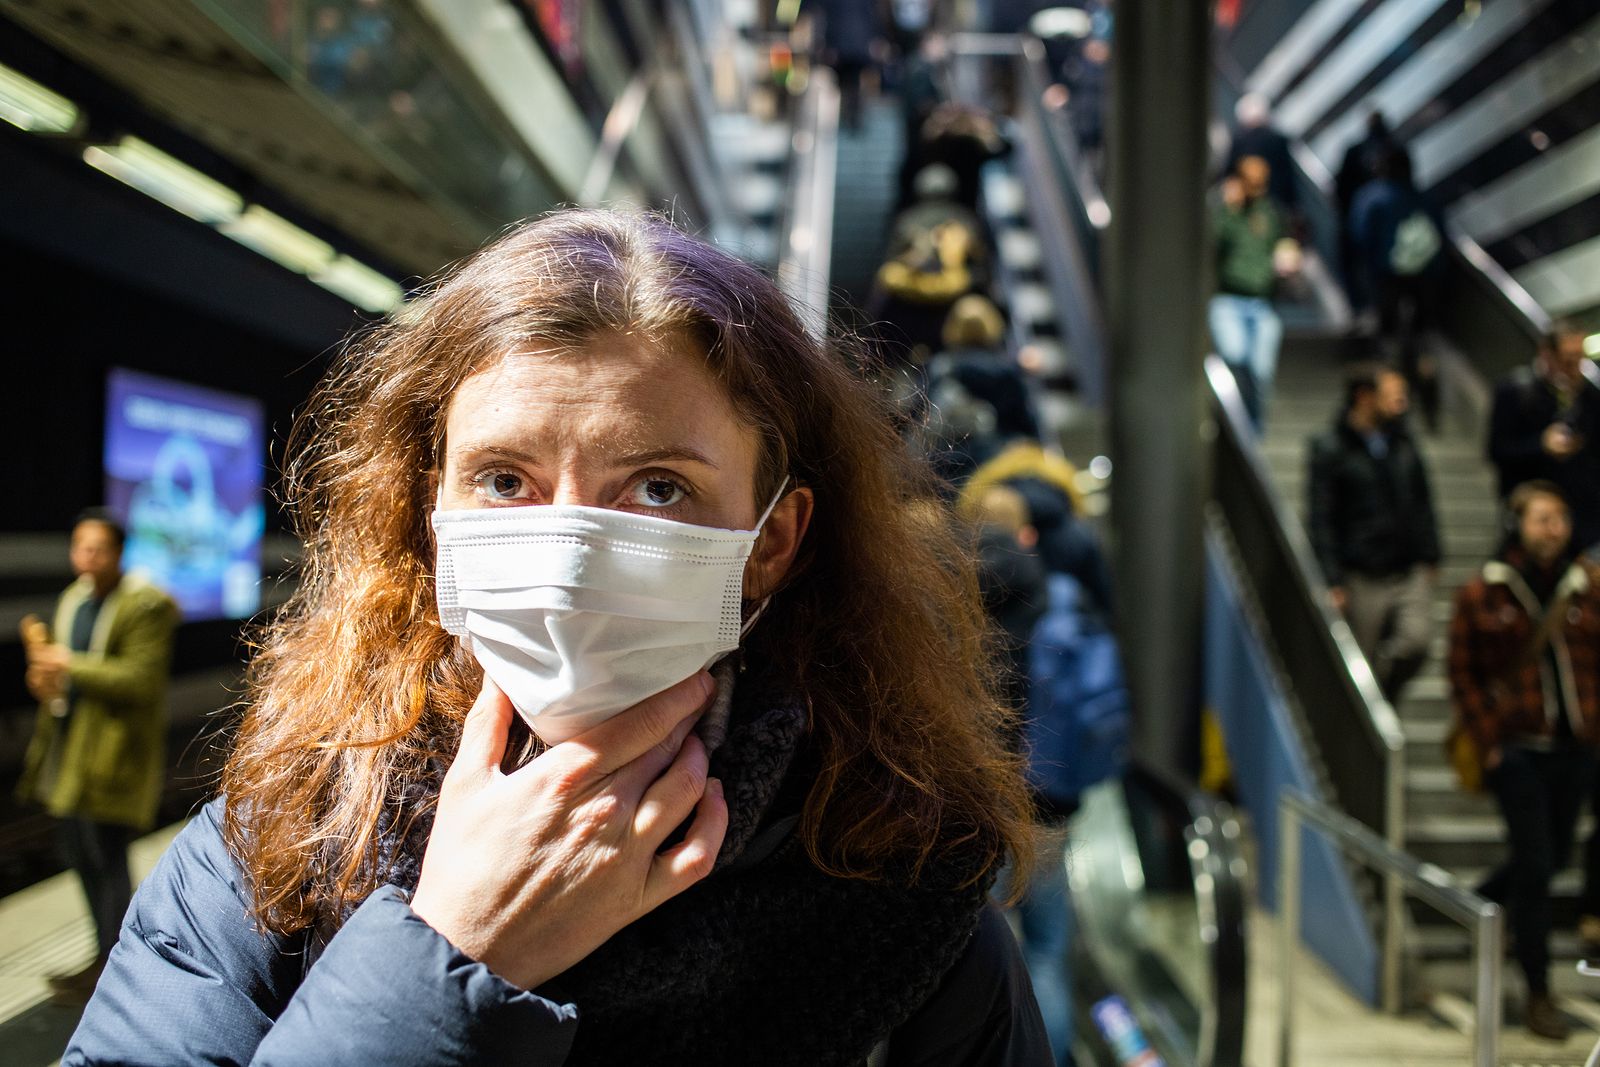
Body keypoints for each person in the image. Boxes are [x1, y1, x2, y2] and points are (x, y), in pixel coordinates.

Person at [66, 210, 1051, 1064]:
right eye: (504, 479)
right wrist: (448, 955)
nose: (571, 560)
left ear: (772, 540)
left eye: (658, 487)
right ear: (428, 509)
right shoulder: (269, 847)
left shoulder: (906, 902)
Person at [1449, 482, 1600, 1041]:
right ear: (1517, 525)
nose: (1553, 527)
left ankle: (1479, 903)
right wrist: (1488, 740)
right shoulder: (1485, 592)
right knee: (1536, 866)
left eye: (1560, 516)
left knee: (1554, 855)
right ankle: (1538, 991)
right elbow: (1462, 675)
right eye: (1542, 518)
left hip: (1575, 747)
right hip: (1516, 751)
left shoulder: (1586, 586)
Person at [16, 509, 179, 1004]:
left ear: (119, 553)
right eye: (79, 547)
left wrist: (70, 665)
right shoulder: (74, 600)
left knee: (106, 859)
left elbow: (140, 680)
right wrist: (46, 678)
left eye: (97, 548)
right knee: (79, 854)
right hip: (69, 752)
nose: (86, 557)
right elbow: (71, 676)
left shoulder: (147, 605)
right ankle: (100, 955)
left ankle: (116, 964)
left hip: (112, 756)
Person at [1308, 363, 1440, 704]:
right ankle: (1369, 722)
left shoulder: (1403, 442)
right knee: (1357, 663)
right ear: (1365, 397)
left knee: (1417, 642)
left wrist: (1430, 553)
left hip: (1406, 566)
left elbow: (1422, 499)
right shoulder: (1331, 448)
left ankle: (1384, 701)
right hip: (1362, 572)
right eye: (1393, 394)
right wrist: (1332, 577)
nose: (1402, 402)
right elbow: (1321, 517)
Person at [1349, 147, 1444, 428]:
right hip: (1426, 278)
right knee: (1422, 340)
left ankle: (1389, 397)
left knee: (1387, 336)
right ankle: (1429, 410)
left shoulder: (1374, 196)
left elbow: (1360, 234)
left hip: (1386, 275)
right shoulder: (1426, 198)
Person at [1488, 321, 1600, 555]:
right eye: (1568, 359)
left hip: (1583, 520)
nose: (1575, 368)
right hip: (1532, 516)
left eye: (1580, 358)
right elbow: (1496, 450)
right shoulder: (1516, 391)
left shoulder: (1589, 397)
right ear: (1547, 355)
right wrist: (1540, 444)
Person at [1209, 154, 1299, 431]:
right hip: (1228, 300)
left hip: (1262, 303)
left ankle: (1253, 433)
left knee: (1261, 371)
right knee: (1235, 358)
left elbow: (1284, 241)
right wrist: (1228, 208)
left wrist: (1288, 255)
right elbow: (1210, 243)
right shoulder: (1224, 210)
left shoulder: (1269, 213)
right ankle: (1233, 427)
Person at [1334, 110, 1396, 315]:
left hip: (1356, 220)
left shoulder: (1356, 150)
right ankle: (1380, 310)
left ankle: (1360, 307)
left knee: (1354, 265)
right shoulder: (1395, 151)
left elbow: (1341, 187)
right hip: (1388, 228)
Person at [1225, 93, 1297, 219]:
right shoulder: (1278, 140)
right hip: (1275, 205)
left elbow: (1229, 172)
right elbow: (1287, 177)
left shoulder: (1239, 140)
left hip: (1246, 208)